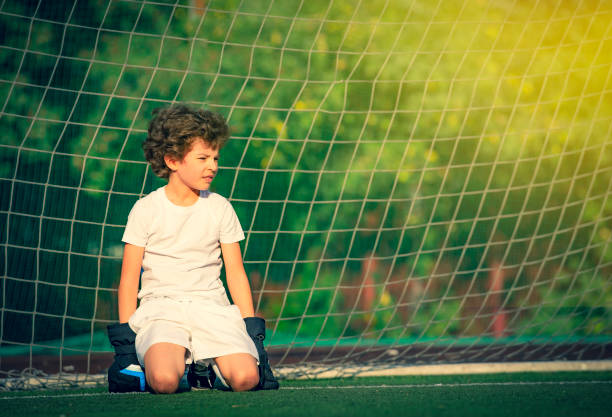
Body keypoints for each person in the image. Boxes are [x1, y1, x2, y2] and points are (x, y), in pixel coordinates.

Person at [107, 105, 278, 393]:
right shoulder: (145, 209)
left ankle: (204, 369)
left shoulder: (220, 207)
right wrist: (124, 349)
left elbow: (235, 274)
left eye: (215, 158)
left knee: (247, 379)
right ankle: (184, 365)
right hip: (162, 311)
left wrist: (254, 338)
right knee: (163, 382)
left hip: (211, 309)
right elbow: (128, 280)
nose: (212, 166)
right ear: (172, 160)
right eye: (202, 158)